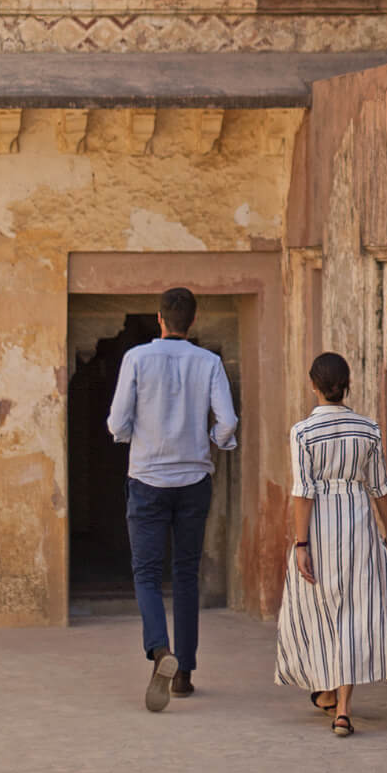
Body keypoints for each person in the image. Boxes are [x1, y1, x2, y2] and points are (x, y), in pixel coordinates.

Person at [107, 286, 237, 712]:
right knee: (185, 574)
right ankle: (184, 675)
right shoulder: (209, 362)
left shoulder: (137, 359)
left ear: (159, 318)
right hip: (193, 478)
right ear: (193, 321)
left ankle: (160, 650)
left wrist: (131, 440)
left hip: (147, 478)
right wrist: (214, 442)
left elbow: (117, 420)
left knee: (146, 573)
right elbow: (228, 420)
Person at [274, 351, 387, 736]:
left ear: (313, 385)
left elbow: (303, 492)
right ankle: (342, 708)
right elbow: (380, 488)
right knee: (355, 609)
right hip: (359, 526)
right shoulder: (368, 430)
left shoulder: (302, 433)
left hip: (319, 527)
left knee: (319, 613)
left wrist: (301, 544)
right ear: (347, 385)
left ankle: (326, 693)